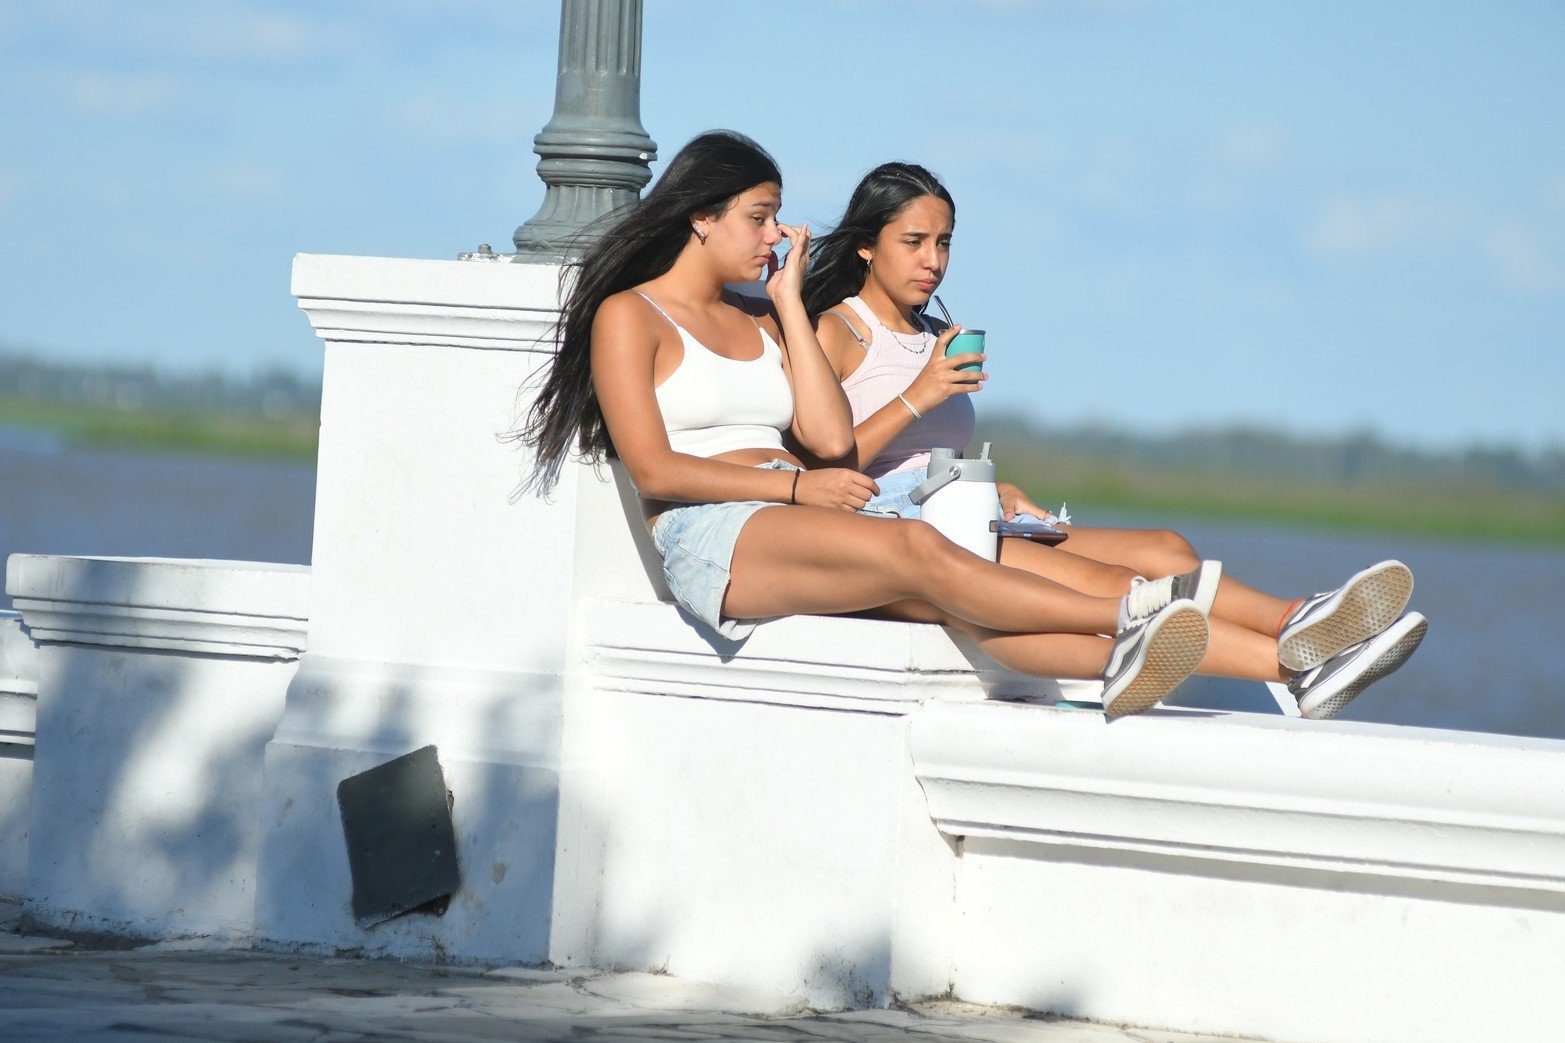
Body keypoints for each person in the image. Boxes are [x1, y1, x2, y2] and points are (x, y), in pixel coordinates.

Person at [517, 130, 1218, 718]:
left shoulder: (765, 315)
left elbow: (827, 441)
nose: (777, 236)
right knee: (922, 551)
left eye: (777, 219)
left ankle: (1121, 659)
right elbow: (653, 469)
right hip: (711, 528)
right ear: (702, 216)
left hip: (794, 506)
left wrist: (788, 303)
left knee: (947, 592)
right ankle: (1131, 616)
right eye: (759, 218)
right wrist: (796, 491)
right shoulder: (630, 314)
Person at [801, 161, 1427, 720]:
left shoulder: (937, 332)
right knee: (1118, 582)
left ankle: (1300, 623)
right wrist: (924, 391)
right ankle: (1296, 665)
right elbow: (822, 462)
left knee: (1163, 545)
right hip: (896, 527)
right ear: (865, 248)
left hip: (961, 508)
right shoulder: (834, 333)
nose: (932, 261)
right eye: (913, 243)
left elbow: (927, 455)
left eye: (943, 244)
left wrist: (991, 483)